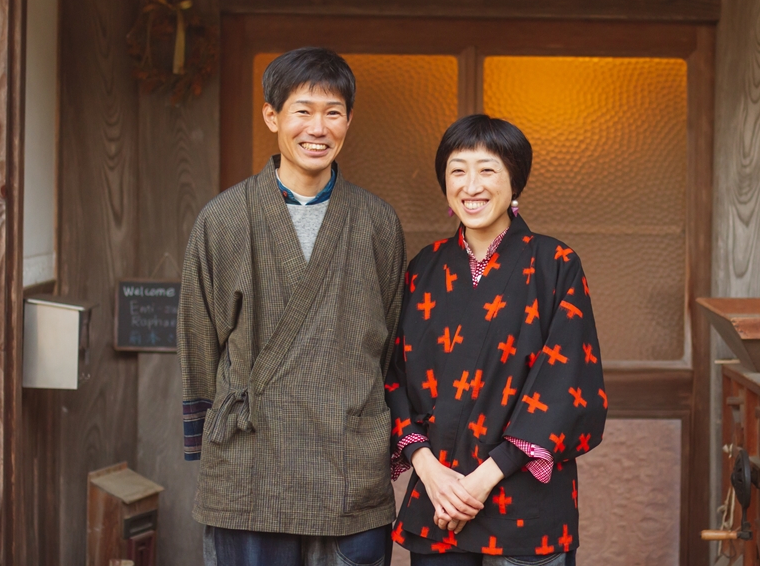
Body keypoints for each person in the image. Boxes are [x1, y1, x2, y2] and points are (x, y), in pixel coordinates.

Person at [178, 47, 405, 566]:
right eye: (302, 110)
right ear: (272, 116)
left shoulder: (377, 223)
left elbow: (390, 341)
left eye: (333, 112)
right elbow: (197, 340)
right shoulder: (225, 220)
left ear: (349, 119)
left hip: (347, 463)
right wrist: (199, 434)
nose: (317, 127)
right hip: (252, 461)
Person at [386, 115, 608, 564]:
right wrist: (430, 472)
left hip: (523, 506)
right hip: (439, 502)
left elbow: (566, 383)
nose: (472, 185)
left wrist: (482, 479)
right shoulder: (423, 269)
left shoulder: (555, 264)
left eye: (487, 169)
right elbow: (393, 378)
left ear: (514, 179)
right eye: (458, 170)